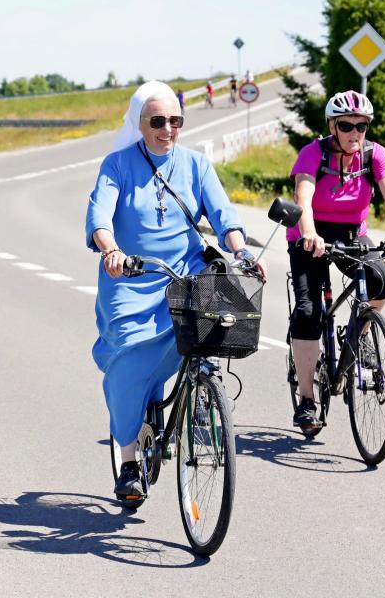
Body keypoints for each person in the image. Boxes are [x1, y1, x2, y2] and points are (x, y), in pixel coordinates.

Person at [86, 80, 266, 498]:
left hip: (185, 275)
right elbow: (100, 216)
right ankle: (129, 463)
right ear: (139, 123)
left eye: (175, 120)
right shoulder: (117, 165)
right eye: (157, 121)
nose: (167, 129)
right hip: (130, 279)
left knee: (215, 324)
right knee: (129, 364)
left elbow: (224, 214)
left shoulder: (196, 164)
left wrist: (241, 251)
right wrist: (111, 250)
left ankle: (202, 391)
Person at [287, 90, 385, 430]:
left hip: (351, 233)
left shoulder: (375, 155)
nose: (354, 133)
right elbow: (303, 195)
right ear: (332, 126)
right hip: (310, 232)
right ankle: (307, 400)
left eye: (361, 126)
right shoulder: (313, 153)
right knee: (308, 311)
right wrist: (309, 233)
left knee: (380, 281)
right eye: (346, 125)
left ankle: (359, 333)